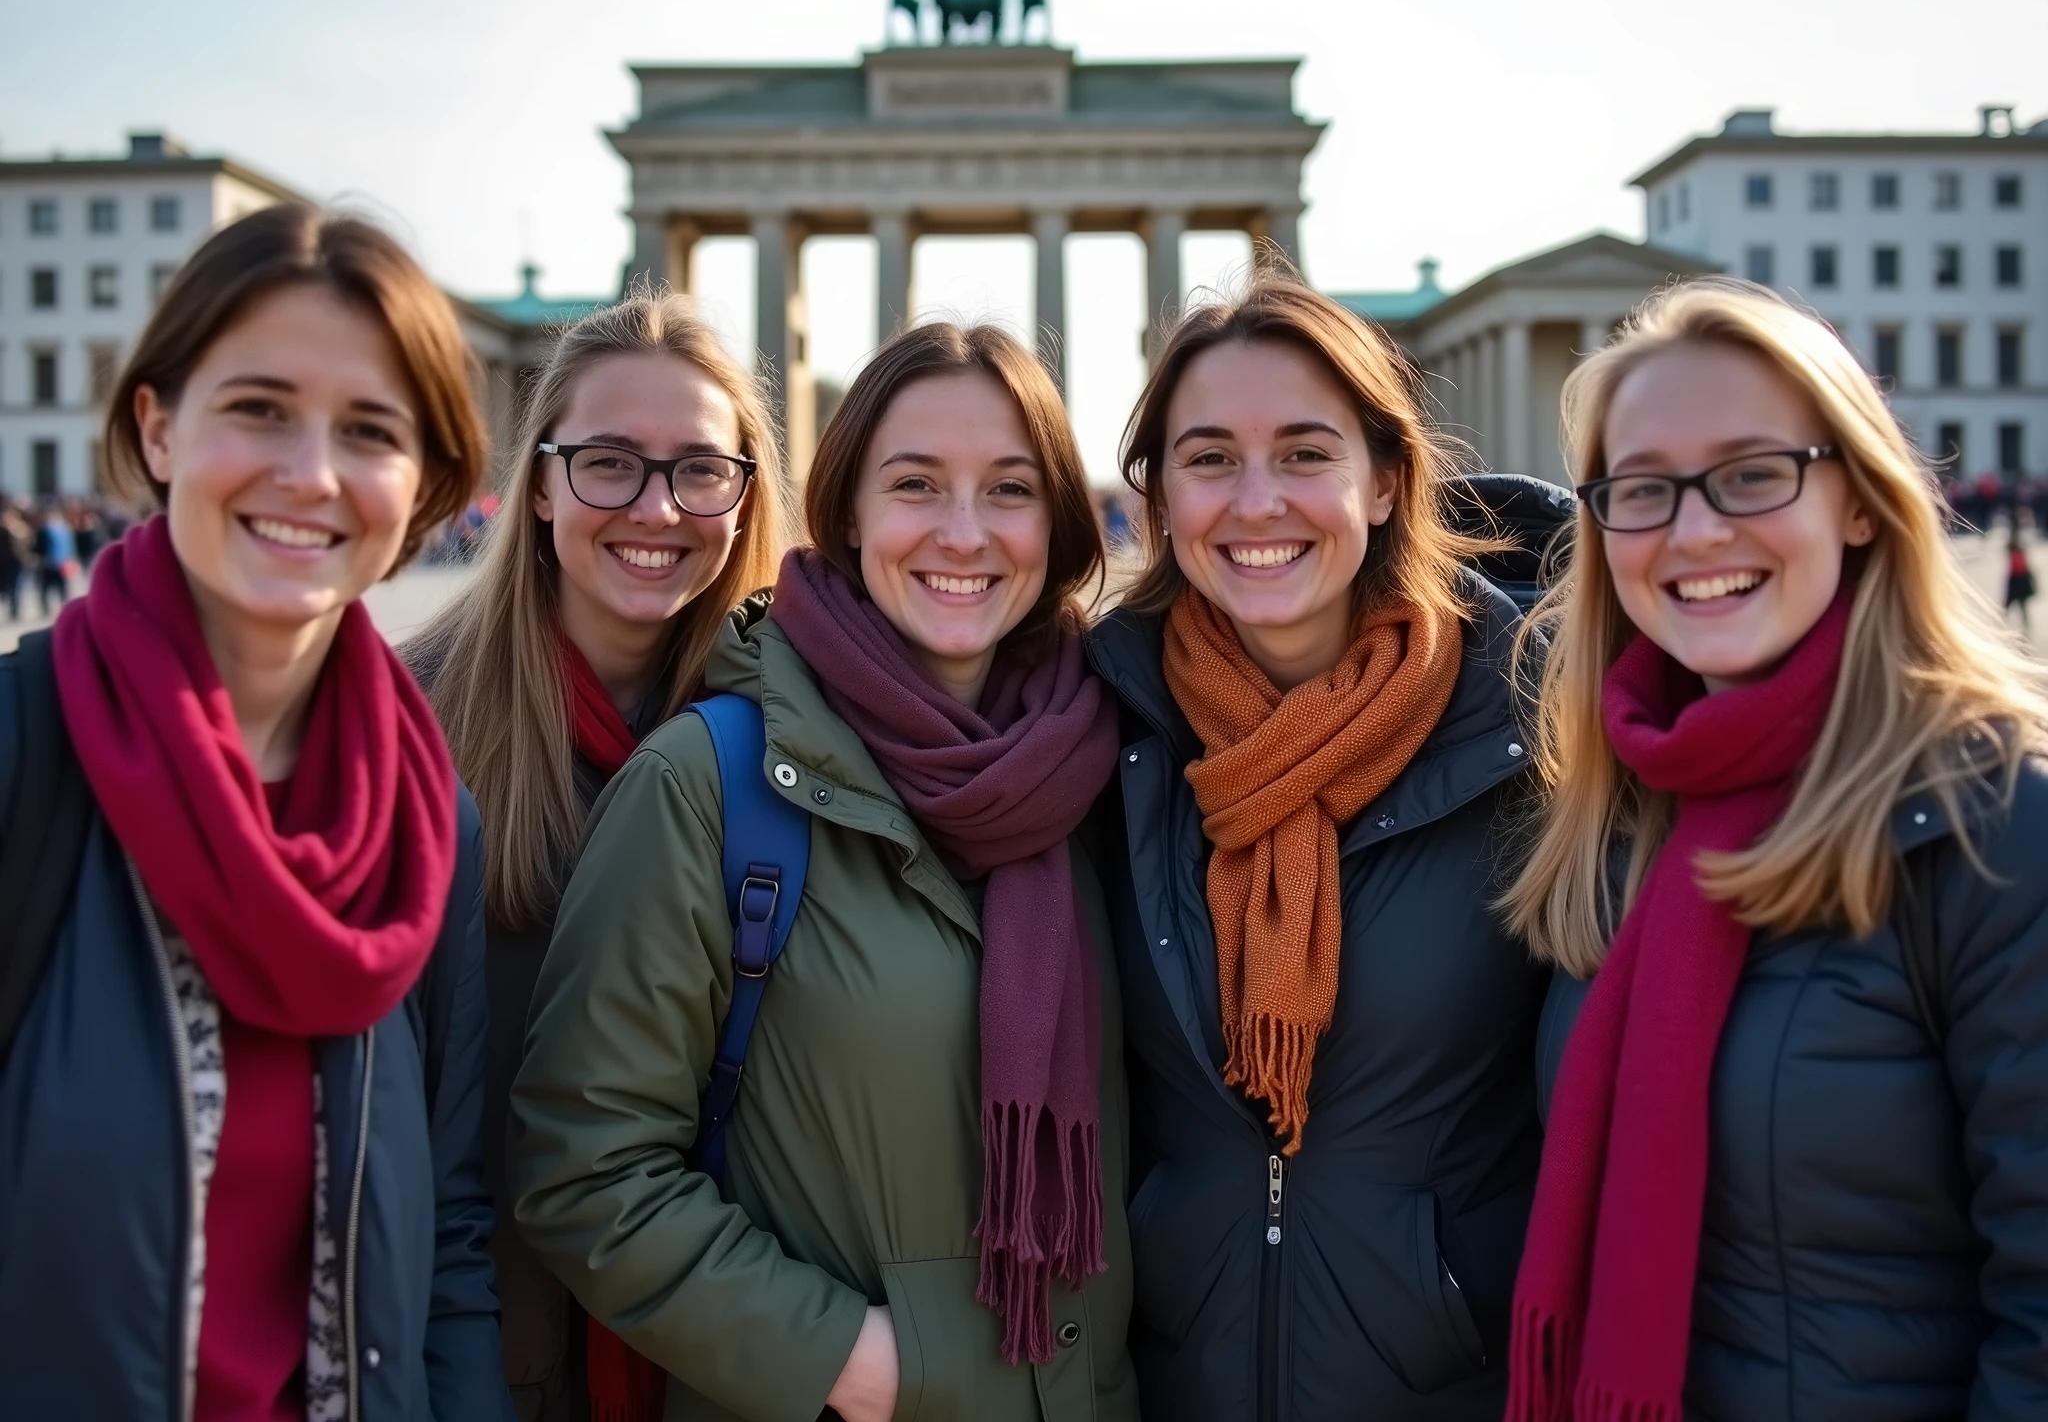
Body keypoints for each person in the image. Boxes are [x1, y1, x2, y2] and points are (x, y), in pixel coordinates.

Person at [511, 322, 1138, 1422]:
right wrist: (863, 1362)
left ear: (1058, 520)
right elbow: (583, 1170)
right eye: (914, 484)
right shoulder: (705, 781)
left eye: (1009, 488)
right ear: (845, 511)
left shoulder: (1103, 775)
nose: (962, 531)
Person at [0, 203, 514, 1421]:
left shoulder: (427, 822)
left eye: (369, 430)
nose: (310, 473)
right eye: (259, 407)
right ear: (158, 425)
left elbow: (444, 1238)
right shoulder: (22, 760)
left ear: (426, 486)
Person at [1502, 280, 2048, 1421]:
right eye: (1640, 490)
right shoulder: (1606, 816)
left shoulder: (1992, 819)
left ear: (1857, 499)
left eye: (1753, 473)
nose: (1694, 531)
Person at [1086, 273, 1550, 1420]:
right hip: (1179, 1377)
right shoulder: (1098, 729)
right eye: (1207, 458)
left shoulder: (1537, 728)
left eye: (1303, 453)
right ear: (1156, 495)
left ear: (1385, 480)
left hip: (1444, 1380)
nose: (1255, 501)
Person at [407, 292, 788, 1422]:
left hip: (730, 1365)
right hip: (480, 1370)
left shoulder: (799, 743)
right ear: (536, 482)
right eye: (608, 463)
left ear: (744, 493)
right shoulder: (404, 728)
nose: (657, 507)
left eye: (699, 469)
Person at [2005, 527, 2035, 629]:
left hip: (2019, 579)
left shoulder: (2019, 551)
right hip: (2016, 579)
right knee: (2010, 604)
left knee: (2020, 605)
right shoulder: (2013, 551)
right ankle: (2002, 621)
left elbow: (2026, 566)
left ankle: (2026, 625)